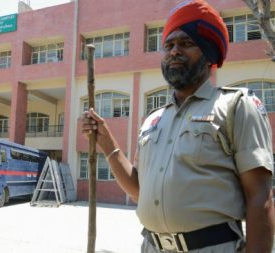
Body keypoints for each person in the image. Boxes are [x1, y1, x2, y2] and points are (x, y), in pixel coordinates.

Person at [82, 1, 274, 252]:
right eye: (169, 45)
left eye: (186, 43)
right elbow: (140, 190)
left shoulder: (236, 106)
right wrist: (106, 141)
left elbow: (260, 197)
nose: (174, 51)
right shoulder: (154, 119)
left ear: (209, 54)